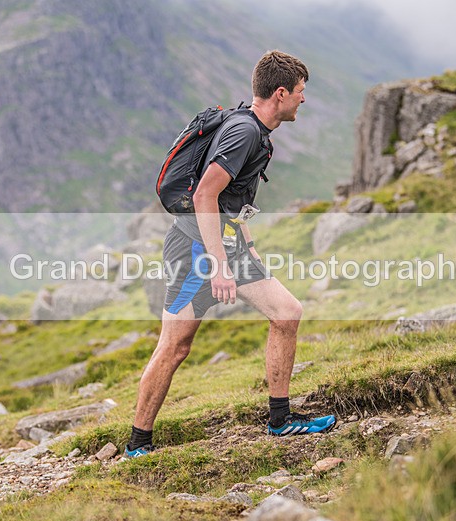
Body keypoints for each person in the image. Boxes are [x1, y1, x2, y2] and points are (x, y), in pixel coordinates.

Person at [124, 50, 335, 459]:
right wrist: (219, 267)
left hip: (227, 243)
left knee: (287, 313)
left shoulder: (252, 128)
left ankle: (280, 420)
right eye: (300, 92)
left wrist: (247, 246)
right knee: (175, 345)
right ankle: (138, 444)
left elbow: (233, 199)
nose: (303, 99)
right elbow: (206, 193)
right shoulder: (244, 133)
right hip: (195, 249)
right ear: (280, 93)